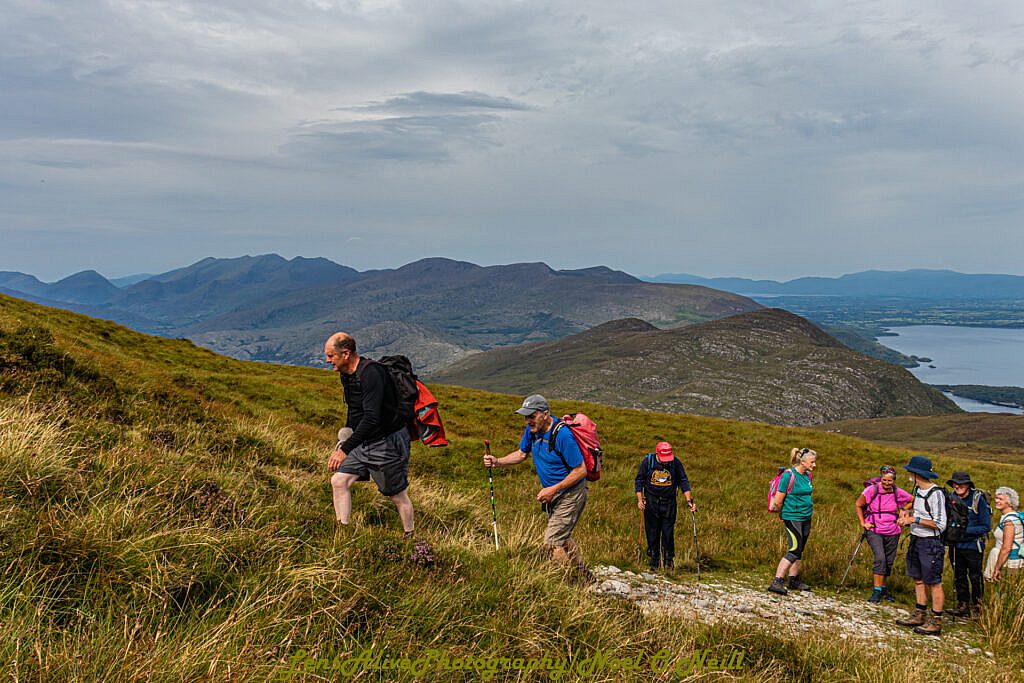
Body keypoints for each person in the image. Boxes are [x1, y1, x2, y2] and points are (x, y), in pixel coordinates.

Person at [483, 394, 591, 581]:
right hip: (555, 495)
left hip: (571, 493)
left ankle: (572, 584)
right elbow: (522, 453)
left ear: (545, 414)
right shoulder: (532, 431)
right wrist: (497, 462)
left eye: (531, 416)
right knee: (563, 537)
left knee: (551, 543)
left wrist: (553, 489)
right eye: (525, 416)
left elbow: (581, 470)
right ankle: (585, 575)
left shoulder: (562, 435)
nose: (527, 421)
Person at [325, 333, 415, 537]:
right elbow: (355, 410)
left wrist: (345, 450)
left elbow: (372, 418)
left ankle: (410, 537)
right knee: (339, 481)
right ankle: (343, 534)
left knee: (397, 495)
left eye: (331, 356)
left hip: (387, 442)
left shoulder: (371, 374)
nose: (328, 360)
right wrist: (346, 438)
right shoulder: (346, 374)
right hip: (364, 440)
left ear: (346, 354)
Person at [895, 455, 947, 636]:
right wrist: (907, 514)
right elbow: (917, 512)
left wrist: (914, 519)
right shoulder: (918, 491)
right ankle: (920, 613)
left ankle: (936, 620)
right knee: (917, 578)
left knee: (934, 581)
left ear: (917, 473)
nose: (908, 474)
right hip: (916, 539)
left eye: (910, 471)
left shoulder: (936, 494)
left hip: (931, 543)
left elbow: (940, 524)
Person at [855, 465, 913, 603]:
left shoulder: (897, 492)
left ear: (894, 480)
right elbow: (858, 504)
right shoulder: (871, 490)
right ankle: (876, 591)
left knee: (888, 561)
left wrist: (904, 510)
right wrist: (863, 523)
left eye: (890, 481)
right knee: (880, 558)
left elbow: (912, 499)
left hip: (893, 530)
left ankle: (883, 589)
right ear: (880, 478)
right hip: (874, 529)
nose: (887, 483)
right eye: (884, 480)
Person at [634, 441, 695, 571]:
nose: (666, 462)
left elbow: (683, 481)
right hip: (651, 502)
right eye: (664, 459)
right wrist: (640, 500)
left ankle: (668, 562)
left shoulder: (675, 463)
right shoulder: (648, 462)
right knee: (652, 532)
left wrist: (689, 501)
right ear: (657, 454)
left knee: (668, 533)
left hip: (669, 503)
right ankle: (654, 562)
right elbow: (639, 480)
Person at [768, 447, 817, 596]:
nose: (814, 465)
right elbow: (778, 500)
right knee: (794, 548)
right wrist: (782, 514)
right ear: (802, 462)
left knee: (799, 549)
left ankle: (794, 579)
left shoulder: (807, 476)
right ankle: (777, 581)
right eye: (812, 462)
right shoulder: (788, 476)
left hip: (805, 517)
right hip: (792, 517)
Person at [946, 471, 992, 619]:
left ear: (968, 485)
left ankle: (978, 607)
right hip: (955, 546)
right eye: (955, 483)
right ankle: (962, 605)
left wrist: (962, 531)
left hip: (973, 546)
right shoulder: (951, 497)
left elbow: (986, 526)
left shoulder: (978, 500)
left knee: (975, 577)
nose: (958, 486)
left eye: (962, 484)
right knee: (958, 576)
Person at [984, 486, 1023, 582]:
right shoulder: (1012, 516)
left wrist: (997, 568)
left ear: (1010, 503)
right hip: (1009, 560)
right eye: (996, 498)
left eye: (1000, 499)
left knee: (1004, 592)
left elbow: (1006, 548)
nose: (997, 501)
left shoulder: (1009, 520)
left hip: (1010, 562)